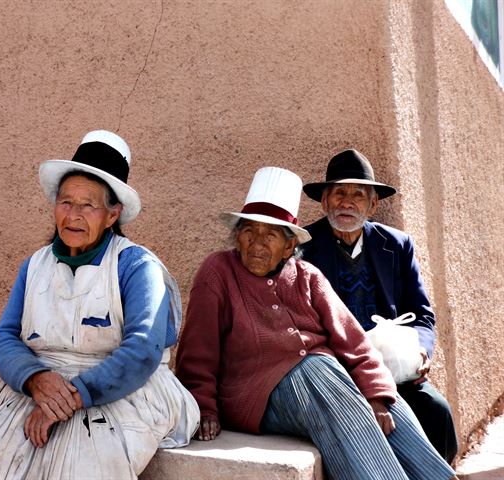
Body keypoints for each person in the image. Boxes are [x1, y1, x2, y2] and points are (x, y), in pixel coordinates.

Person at [175, 166, 456, 480]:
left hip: (322, 379)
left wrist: (377, 395)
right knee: (321, 372)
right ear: (237, 238)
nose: (257, 243)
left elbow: (353, 343)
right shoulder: (217, 271)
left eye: (270, 235)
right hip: (255, 393)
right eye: (249, 231)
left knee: (387, 404)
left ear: (288, 247)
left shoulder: (307, 276)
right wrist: (204, 407)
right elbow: (198, 351)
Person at [0, 130, 199, 480]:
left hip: (118, 389)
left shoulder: (137, 266)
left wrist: (72, 397)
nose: (74, 215)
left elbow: (142, 351)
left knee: (82, 465)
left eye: (89, 205)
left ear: (113, 215)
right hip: (42, 384)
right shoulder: (35, 265)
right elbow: (4, 336)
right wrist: (36, 379)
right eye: (66, 202)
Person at [301, 149, 458, 464]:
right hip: (338, 371)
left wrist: (422, 350)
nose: (347, 202)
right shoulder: (304, 248)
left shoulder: (397, 246)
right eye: (339, 193)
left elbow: (422, 315)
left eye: (358, 194)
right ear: (324, 202)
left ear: (373, 204)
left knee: (436, 412)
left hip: (395, 369)